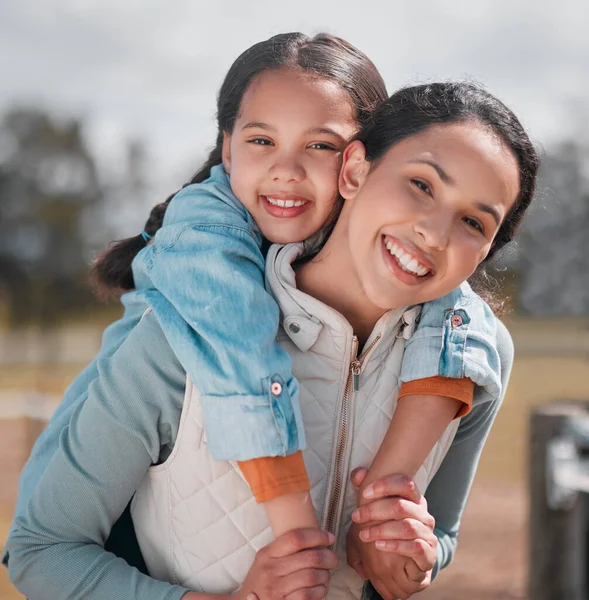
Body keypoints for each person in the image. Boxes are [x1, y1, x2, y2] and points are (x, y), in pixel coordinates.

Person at [6, 81, 538, 600]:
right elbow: (43, 551)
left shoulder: (477, 362)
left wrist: (418, 560)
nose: (435, 232)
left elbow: (441, 535)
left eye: (472, 221)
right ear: (354, 169)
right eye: (421, 184)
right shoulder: (184, 334)